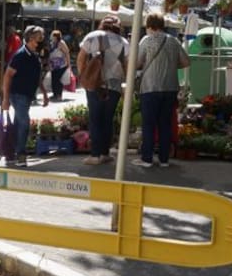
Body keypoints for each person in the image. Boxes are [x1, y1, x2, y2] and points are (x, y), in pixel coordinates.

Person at [134, 13, 190, 167]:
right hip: (170, 87)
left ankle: (147, 159)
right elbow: (186, 61)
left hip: (150, 87)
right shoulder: (173, 41)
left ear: (149, 25)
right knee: (165, 124)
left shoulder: (146, 40)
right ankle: (164, 159)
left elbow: (137, 63)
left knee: (149, 124)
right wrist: (171, 65)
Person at [76, 15, 128, 165]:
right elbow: (127, 65)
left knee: (95, 118)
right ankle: (105, 153)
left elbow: (81, 58)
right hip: (115, 85)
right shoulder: (123, 41)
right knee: (107, 119)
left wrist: (84, 75)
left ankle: (95, 155)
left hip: (94, 84)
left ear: (102, 24)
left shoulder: (92, 36)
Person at [1, 26, 45, 168]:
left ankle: (11, 153)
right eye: (39, 37)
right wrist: (6, 99)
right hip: (18, 94)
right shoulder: (20, 55)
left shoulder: (34, 55)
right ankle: (20, 154)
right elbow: (7, 76)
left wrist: (44, 93)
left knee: (18, 123)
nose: (42, 40)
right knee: (24, 122)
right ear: (31, 38)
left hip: (27, 95)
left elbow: (37, 77)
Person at [46, 29, 71, 102]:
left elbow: (67, 53)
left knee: (58, 80)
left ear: (56, 36)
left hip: (61, 65)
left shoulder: (61, 43)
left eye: (52, 35)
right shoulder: (52, 43)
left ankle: (59, 95)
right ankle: (54, 94)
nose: (51, 36)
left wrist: (69, 64)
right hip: (53, 65)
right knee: (54, 79)